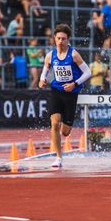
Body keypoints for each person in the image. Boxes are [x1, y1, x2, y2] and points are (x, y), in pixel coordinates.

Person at [39, 24, 91, 168]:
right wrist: (42, 79)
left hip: (71, 93)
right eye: (58, 38)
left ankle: (65, 129)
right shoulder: (50, 55)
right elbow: (45, 69)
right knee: (54, 123)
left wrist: (75, 83)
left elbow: (88, 73)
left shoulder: (74, 54)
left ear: (68, 40)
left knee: (65, 132)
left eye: (63, 39)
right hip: (56, 91)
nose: (61, 41)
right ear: (54, 39)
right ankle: (58, 157)